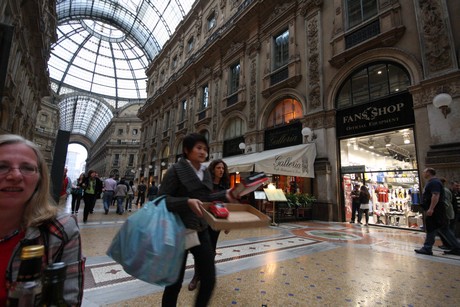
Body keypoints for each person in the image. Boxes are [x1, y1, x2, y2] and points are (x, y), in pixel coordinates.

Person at [0, 134, 85, 306]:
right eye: (2, 166)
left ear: (40, 178)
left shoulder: (59, 231)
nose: (15, 176)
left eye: (27, 168)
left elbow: (68, 302)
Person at [159, 133, 237, 307]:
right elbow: (160, 200)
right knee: (174, 283)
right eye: (198, 148)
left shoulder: (205, 172)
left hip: (200, 230)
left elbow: (205, 198)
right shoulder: (175, 171)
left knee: (209, 279)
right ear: (187, 150)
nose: (203, 152)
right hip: (178, 231)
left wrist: (226, 194)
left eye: (205, 148)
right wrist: (185, 201)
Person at [188, 159, 231, 291]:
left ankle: (205, 275)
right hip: (202, 221)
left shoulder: (224, 187)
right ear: (213, 169)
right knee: (200, 250)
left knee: (211, 250)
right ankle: (196, 276)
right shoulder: (206, 184)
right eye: (218, 168)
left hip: (216, 222)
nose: (221, 170)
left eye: (223, 168)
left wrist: (227, 224)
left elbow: (226, 206)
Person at [414, 168, 460, 256]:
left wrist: (431, 208)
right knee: (444, 229)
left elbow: (435, 195)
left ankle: (427, 248)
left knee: (431, 228)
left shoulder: (434, 182)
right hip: (437, 210)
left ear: (428, 173)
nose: (423, 174)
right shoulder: (433, 182)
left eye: (424, 172)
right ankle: (457, 247)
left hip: (436, 211)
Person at [438, 178, 456, 249]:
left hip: (446, 214)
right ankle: (449, 244)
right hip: (446, 213)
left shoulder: (444, 191)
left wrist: (440, 212)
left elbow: (446, 203)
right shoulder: (444, 190)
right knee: (445, 230)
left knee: (446, 230)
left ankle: (451, 245)